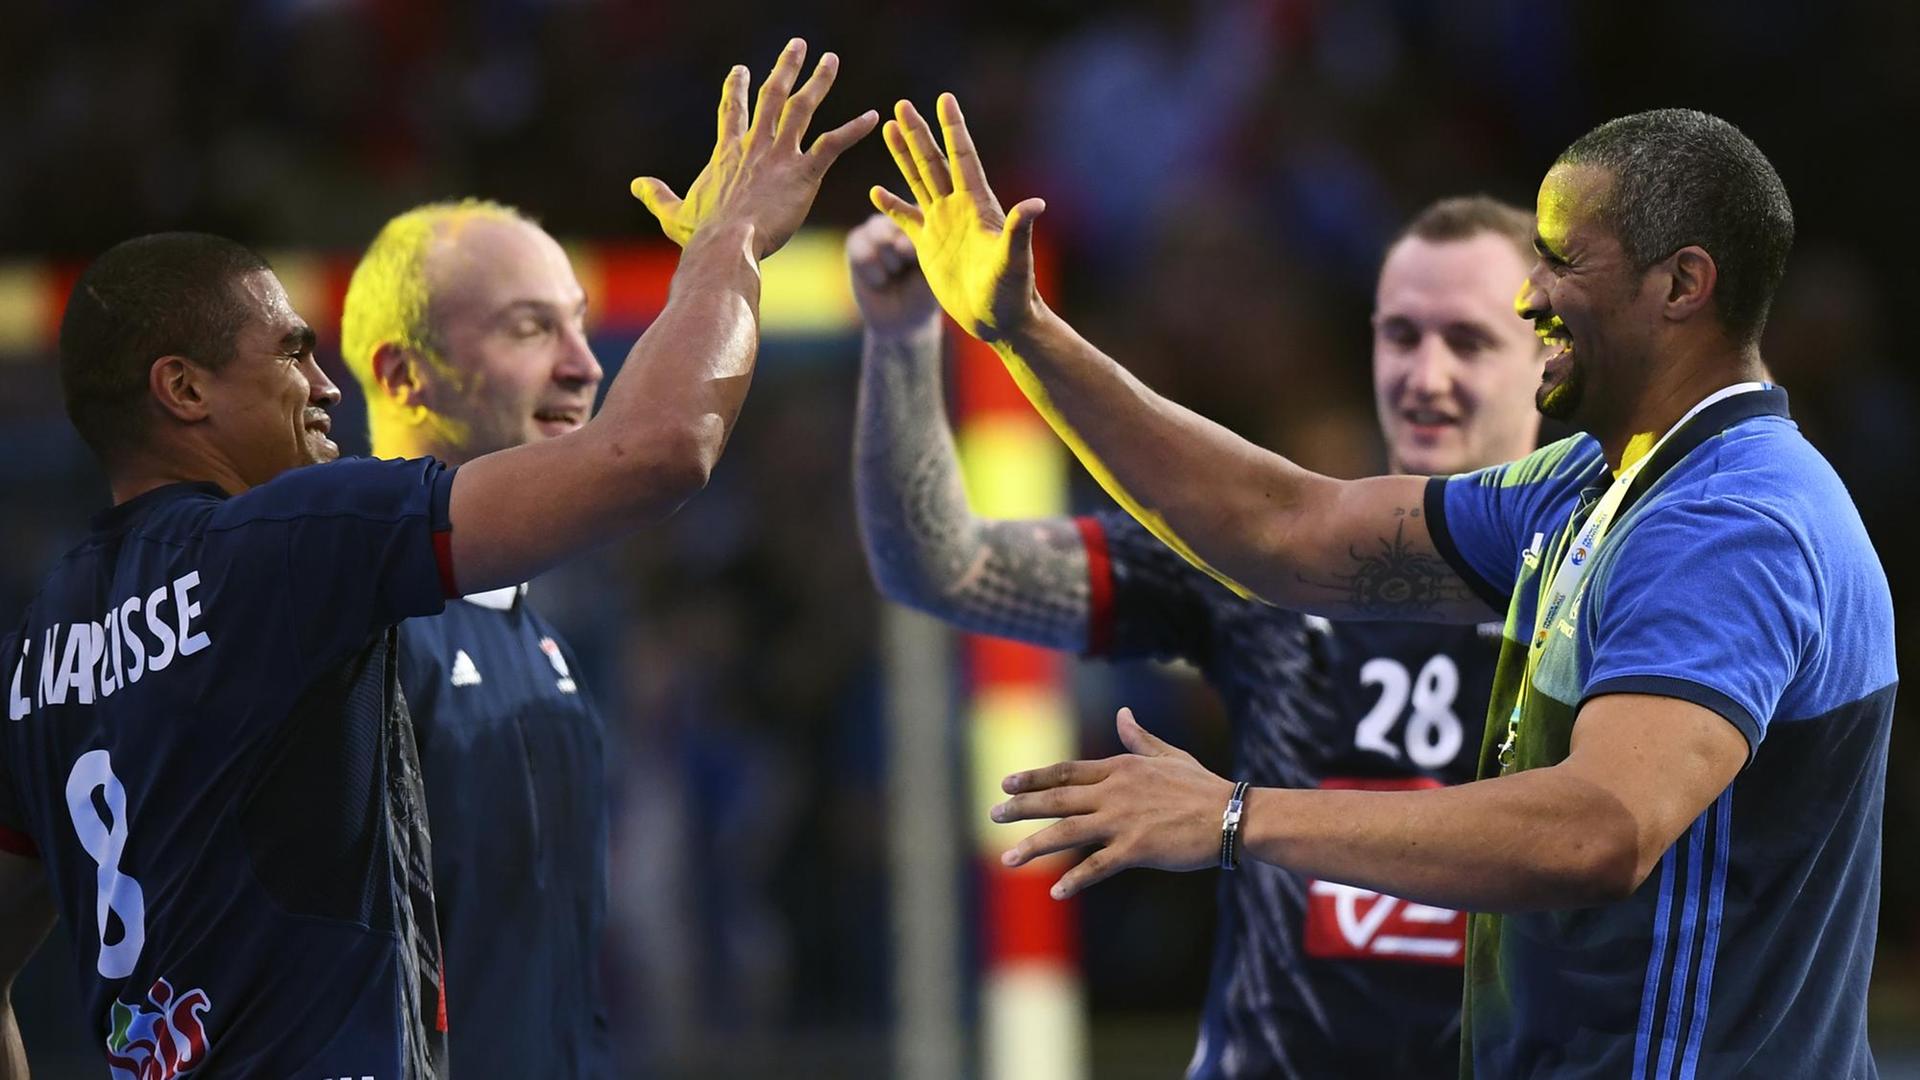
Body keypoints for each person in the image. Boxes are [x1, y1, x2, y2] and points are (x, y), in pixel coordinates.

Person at [875, 97, 1896, 1077]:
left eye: (1564, 259)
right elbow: (1291, 530)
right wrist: (1023, 332)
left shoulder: (1729, 523)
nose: (1530, 294)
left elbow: (1600, 827)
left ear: (1683, 286)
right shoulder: (1592, 485)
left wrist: (1234, 817)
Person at [0, 40, 874, 1078]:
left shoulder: (40, 648)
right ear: (185, 391)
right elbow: (659, 449)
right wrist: (730, 241)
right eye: (288, 353)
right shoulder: (282, 542)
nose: (324, 388)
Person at [848, 192, 1548, 1077]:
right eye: (1401, 336)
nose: (1426, 374)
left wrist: (1227, 815)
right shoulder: (1271, 556)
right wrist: (905, 338)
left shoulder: (1607, 587)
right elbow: (943, 568)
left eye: (1470, 340)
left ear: (1549, 356)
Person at [339, 198, 609, 1077]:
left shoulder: (539, 633)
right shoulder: (349, 631)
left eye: (578, 323)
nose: (584, 366)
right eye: (531, 328)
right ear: (407, 375)